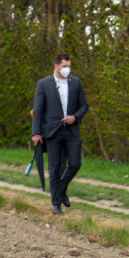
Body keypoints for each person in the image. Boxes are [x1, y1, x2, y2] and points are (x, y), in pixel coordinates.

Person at [32, 54, 89, 213]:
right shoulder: (44, 84)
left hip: (71, 130)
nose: (67, 69)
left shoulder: (76, 82)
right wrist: (36, 133)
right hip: (52, 131)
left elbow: (84, 105)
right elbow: (38, 110)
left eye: (69, 66)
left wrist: (75, 117)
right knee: (55, 167)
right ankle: (56, 204)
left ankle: (61, 189)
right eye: (64, 66)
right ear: (56, 66)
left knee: (75, 163)